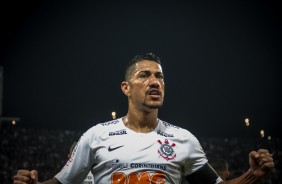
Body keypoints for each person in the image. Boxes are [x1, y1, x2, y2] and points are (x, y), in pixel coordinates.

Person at [14, 53, 274, 184]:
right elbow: (62, 183)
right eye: (144, 75)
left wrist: (253, 175)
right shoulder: (96, 135)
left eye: (159, 77)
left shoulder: (183, 139)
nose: (154, 82)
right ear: (125, 87)